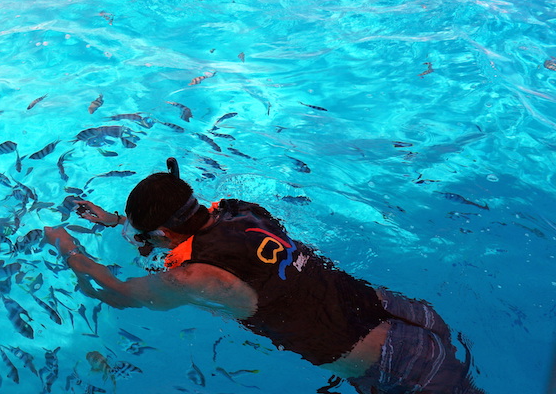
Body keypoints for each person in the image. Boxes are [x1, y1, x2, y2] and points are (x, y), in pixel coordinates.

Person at [45, 158, 485, 394]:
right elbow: (179, 232)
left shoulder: (196, 277)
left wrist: (71, 252)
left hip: (397, 365)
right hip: (406, 313)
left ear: (161, 232)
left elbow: (123, 293)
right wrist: (116, 221)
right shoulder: (240, 210)